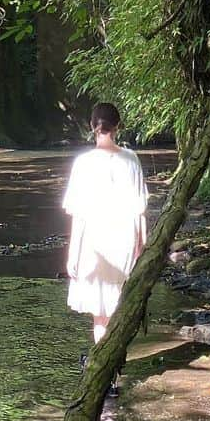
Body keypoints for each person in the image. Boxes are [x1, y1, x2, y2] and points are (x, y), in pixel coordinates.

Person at [63, 102, 148, 347]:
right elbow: (139, 209)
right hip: (124, 242)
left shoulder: (83, 163)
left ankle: (105, 369)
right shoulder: (132, 160)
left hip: (94, 244)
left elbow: (78, 215)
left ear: (92, 127)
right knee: (117, 308)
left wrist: (72, 255)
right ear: (118, 127)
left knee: (100, 314)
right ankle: (113, 366)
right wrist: (142, 245)